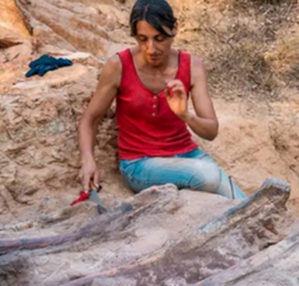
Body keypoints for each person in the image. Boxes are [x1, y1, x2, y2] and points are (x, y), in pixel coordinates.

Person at [77, 0, 244, 199]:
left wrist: (185, 114)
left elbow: (211, 131)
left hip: (189, 156)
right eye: (142, 39)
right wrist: (88, 160)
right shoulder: (119, 66)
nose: (151, 48)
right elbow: (89, 120)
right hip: (140, 164)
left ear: (175, 28)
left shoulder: (192, 66)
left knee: (245, 203)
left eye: (160, 38)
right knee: (209, 176)